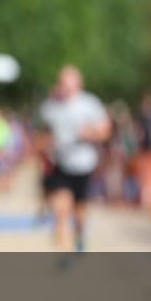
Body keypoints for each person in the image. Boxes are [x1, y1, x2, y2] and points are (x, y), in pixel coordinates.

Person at [38, 65, 111, 251]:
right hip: (61, 164)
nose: (63, 86)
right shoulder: (51, 105)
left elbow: (106, 130)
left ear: (78, 84)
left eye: (67, 82)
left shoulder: (89, 104)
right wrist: (44, 147)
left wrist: (90, 133)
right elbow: (43, 131)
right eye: (61, 82)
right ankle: (64, 251)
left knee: (79, 210)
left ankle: (79, 235)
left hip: (84, 165)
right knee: (61, 209)